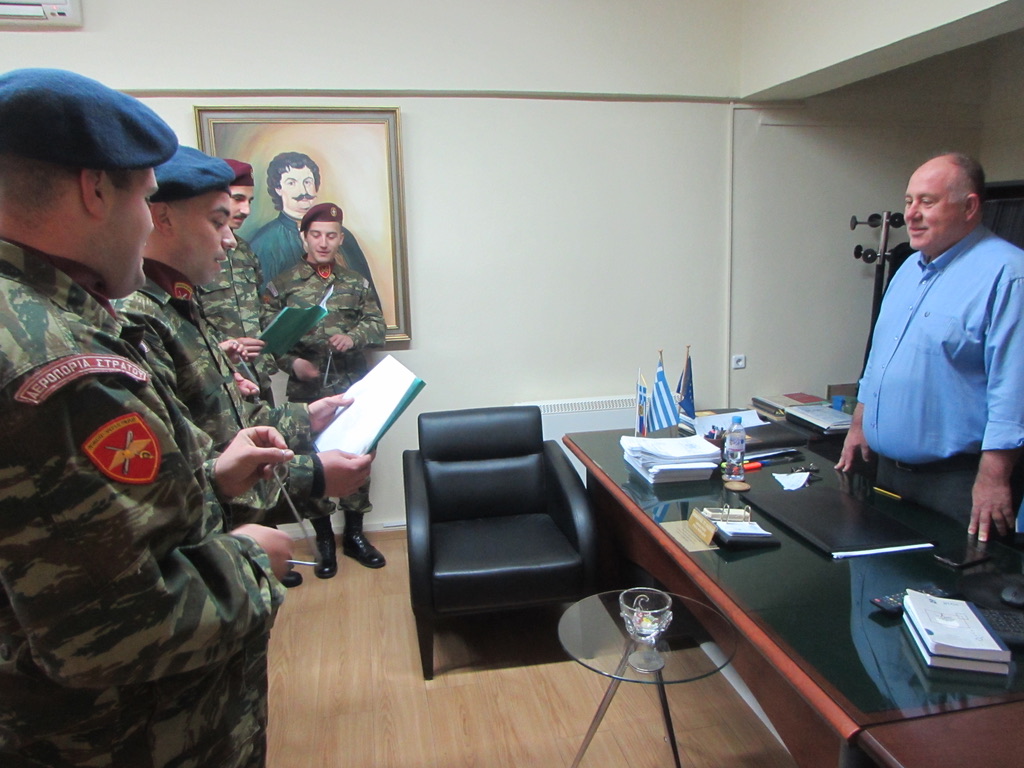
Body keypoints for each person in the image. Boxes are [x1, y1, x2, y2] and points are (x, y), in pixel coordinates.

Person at [0, 68, 299, 766]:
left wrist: (210, 480)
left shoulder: (41, 314)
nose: (146, 221)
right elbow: (110, 629)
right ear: (95, 190)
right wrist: (254, 557)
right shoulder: (52, 360)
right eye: (144, 197)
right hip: (125, 739)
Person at [115, 146, 374, 587]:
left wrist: (304, 418)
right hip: (199, 562)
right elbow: (170, 480)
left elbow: (222, 418)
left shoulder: (180, 305)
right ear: (163, 218)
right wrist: (312, 475)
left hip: (224, 544)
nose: (231, 239)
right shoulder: (137, 319)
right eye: (218, 221)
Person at [836, 152, 1024, 542]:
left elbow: (1014, 391)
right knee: (879, 570)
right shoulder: (909, 268)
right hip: (888, 471)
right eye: (909, 201)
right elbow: (880, 358)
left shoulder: (1008, 276)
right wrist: (859, 424)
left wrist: (994, 477)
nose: (912, 214)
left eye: (928, 201)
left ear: (969, 207)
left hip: (957, 483)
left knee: (950, 579)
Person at [266, 202, 387, 575]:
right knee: (312, 463)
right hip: (309, 394)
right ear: (304, 237)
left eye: (331, 235)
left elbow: (377, 325)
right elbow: (267, 339)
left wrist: (353, 337)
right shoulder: (283, 285)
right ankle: (323, 541)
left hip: (352, 390)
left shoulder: (355, 283)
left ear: (340, 238)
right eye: (316, 235)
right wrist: (293, 364)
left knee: (357, 458)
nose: (323, 242)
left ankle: (354, 535)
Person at [196, 158, 278, 404]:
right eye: (238, 199)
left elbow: (258, 306)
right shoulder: (195, 253)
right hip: (218, 379)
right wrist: (223, 348)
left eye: (250, 201)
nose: (246, 210)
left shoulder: (244, 250)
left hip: (257, 376)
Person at [248, 150, 378, 296]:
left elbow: (368, 295)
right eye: (292, 183)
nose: (303, 191)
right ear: (278, 189)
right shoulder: (265, 243)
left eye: (308, 182)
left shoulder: (344, 237)